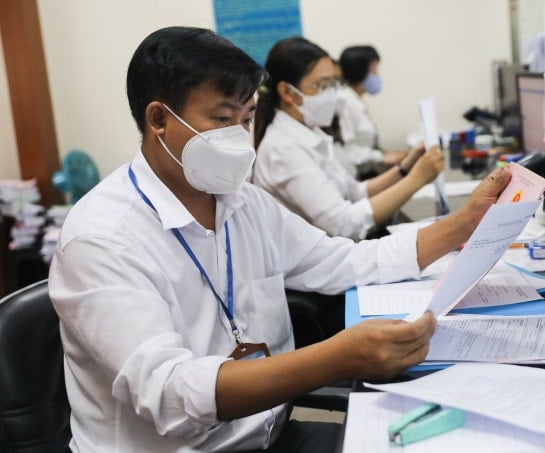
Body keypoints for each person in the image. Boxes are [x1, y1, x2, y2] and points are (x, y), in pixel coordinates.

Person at [48, 26, 510, 452]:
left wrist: (464, 224)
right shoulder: (102, 238)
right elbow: (171, 395)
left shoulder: (243, 203)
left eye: (246, 119)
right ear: (159, 120)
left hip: (270, 434)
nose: (239, 137)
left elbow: (345, 261)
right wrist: (335, 359)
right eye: (223, 117)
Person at [253, 37, 444, 241]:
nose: (333, 95)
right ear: (287, 92)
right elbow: (343, 224)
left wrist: (405, 168)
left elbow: (354, 191)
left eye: (334, 84)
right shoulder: (283, 148)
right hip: (315, 267)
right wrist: (416, 180)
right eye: (322, 85)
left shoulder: (311, 134)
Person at [337, 45, 409, 177]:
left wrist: (386, 154)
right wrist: (382, 158)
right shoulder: (344, 102)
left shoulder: (356, 100)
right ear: (359, 71)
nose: (377, 77)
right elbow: (347, 152)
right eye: (374, 71)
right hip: (356, 178)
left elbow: (364, 142)